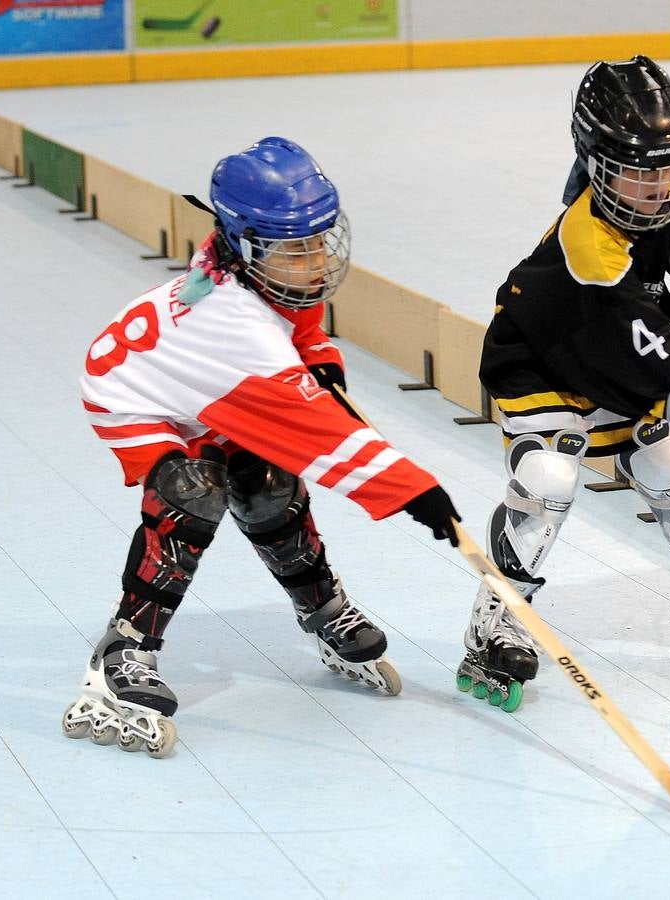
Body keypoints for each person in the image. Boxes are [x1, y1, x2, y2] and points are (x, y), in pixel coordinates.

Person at [62, 137, 461, 756]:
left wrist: (320, 359)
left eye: (319, 241)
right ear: (249, 244)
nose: (317, 262)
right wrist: (415, 492)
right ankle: (125, 648)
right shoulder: (235, 328)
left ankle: (321, 608)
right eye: (297, 249)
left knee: (268, 483)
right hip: (135, 396)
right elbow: (325, 441)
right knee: (194, 493)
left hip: (202, 383)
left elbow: (298, 323)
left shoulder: (251, 268)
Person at [457, 56, 670, 713]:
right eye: (638, 176)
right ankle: (495, 618)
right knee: (550, 479)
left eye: (669, 168)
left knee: (668, 465)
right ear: (595, 168)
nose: (657, 188)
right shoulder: (586, 237)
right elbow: (638, 336)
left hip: (618, 347)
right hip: (546, 352)